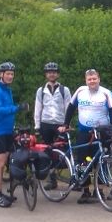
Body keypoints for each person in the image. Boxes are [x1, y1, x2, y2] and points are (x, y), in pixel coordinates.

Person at [64, 69, 112, 204]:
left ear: (99, 79)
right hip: (84, 132)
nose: (92, 81)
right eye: (89, 79)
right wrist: (66, 123)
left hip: (102, 132)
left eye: (94, 78)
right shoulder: (80, 91)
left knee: (100, 161)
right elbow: (71, 107)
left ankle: (98, 191)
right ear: (86, 80)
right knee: (84, 161)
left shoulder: (106, 93)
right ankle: (85, 191)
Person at [0, 62, 29, 208]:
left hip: (7, 130)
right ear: (1, 74)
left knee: (8, 160)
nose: (10, 76)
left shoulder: (7, 89)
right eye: (8, 74)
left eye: (12, 74)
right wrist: (17, 108)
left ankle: (6, 192)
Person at [33, 62, 71, 190]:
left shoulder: (64, 90)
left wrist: (67, 124)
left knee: (63, 151)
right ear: (46, 75)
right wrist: (37, 126)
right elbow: (38, 108)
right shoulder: (41, 91)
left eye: (54, 72)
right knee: (48, 152)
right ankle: (52, 179)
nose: (52, 74)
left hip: (60, 124)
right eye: (49, 72)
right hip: (46, 124)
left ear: (58, 74)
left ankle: (70, 176)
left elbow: (68, 108)